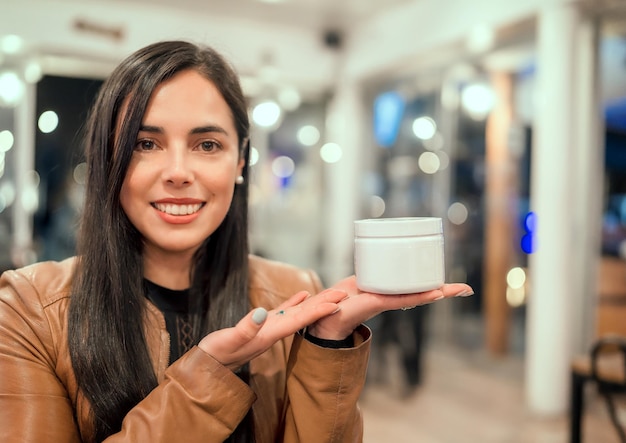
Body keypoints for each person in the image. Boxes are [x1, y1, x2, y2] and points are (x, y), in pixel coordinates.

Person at [0, 40, 473, 443]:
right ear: (109, 156)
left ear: (241, 159)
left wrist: (327, 346)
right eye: (146, 144)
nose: (179, 173)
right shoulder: (30, 309)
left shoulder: (293, 294)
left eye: (207, 145)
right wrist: (208, 373)